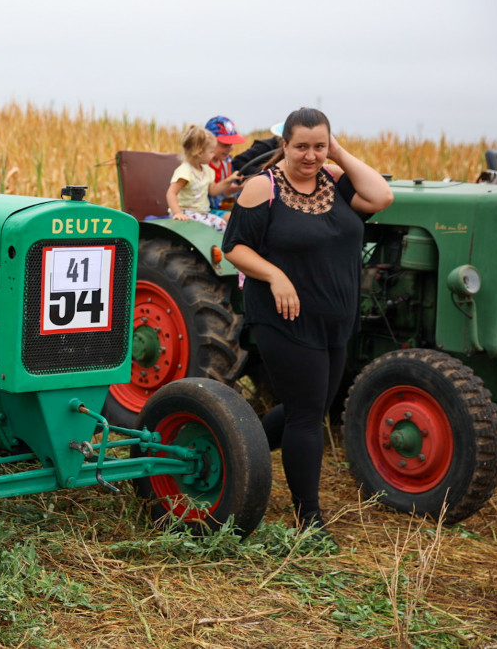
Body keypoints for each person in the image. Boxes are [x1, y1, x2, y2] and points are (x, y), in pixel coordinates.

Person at [221, 107, 393, 541]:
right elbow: (234, 247)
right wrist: (275, 274)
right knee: (306, 418)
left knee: (310, 407)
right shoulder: (263, 189)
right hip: (285, 318)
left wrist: (338, 153)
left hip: (335, 317)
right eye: (302, 146)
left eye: (320, 146)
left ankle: (241, 447)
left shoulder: (335, 181)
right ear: (285, 145)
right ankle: (308, 520)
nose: (310, 155)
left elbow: (381, 197)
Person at [166, 126, 239, 231]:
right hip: (186, 211)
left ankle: (221, 247)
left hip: (202, 213)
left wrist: (230, 179)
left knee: (222, 224)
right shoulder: (185, 171)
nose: (213, 155)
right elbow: (171, 193)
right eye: (211, 152)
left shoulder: (207, 170)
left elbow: (213, 191)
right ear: (200, 153)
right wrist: (177, 213)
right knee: (207, 226)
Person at [204, 115, 247, 212]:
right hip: (207, 210)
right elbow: (212, 191)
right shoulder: (202, 165)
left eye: (231, 144)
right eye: (225, 144)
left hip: (224, 206)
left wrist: (242, 186)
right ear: (209, 142)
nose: (230, 148)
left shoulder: (226, 162)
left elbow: (227, 189)